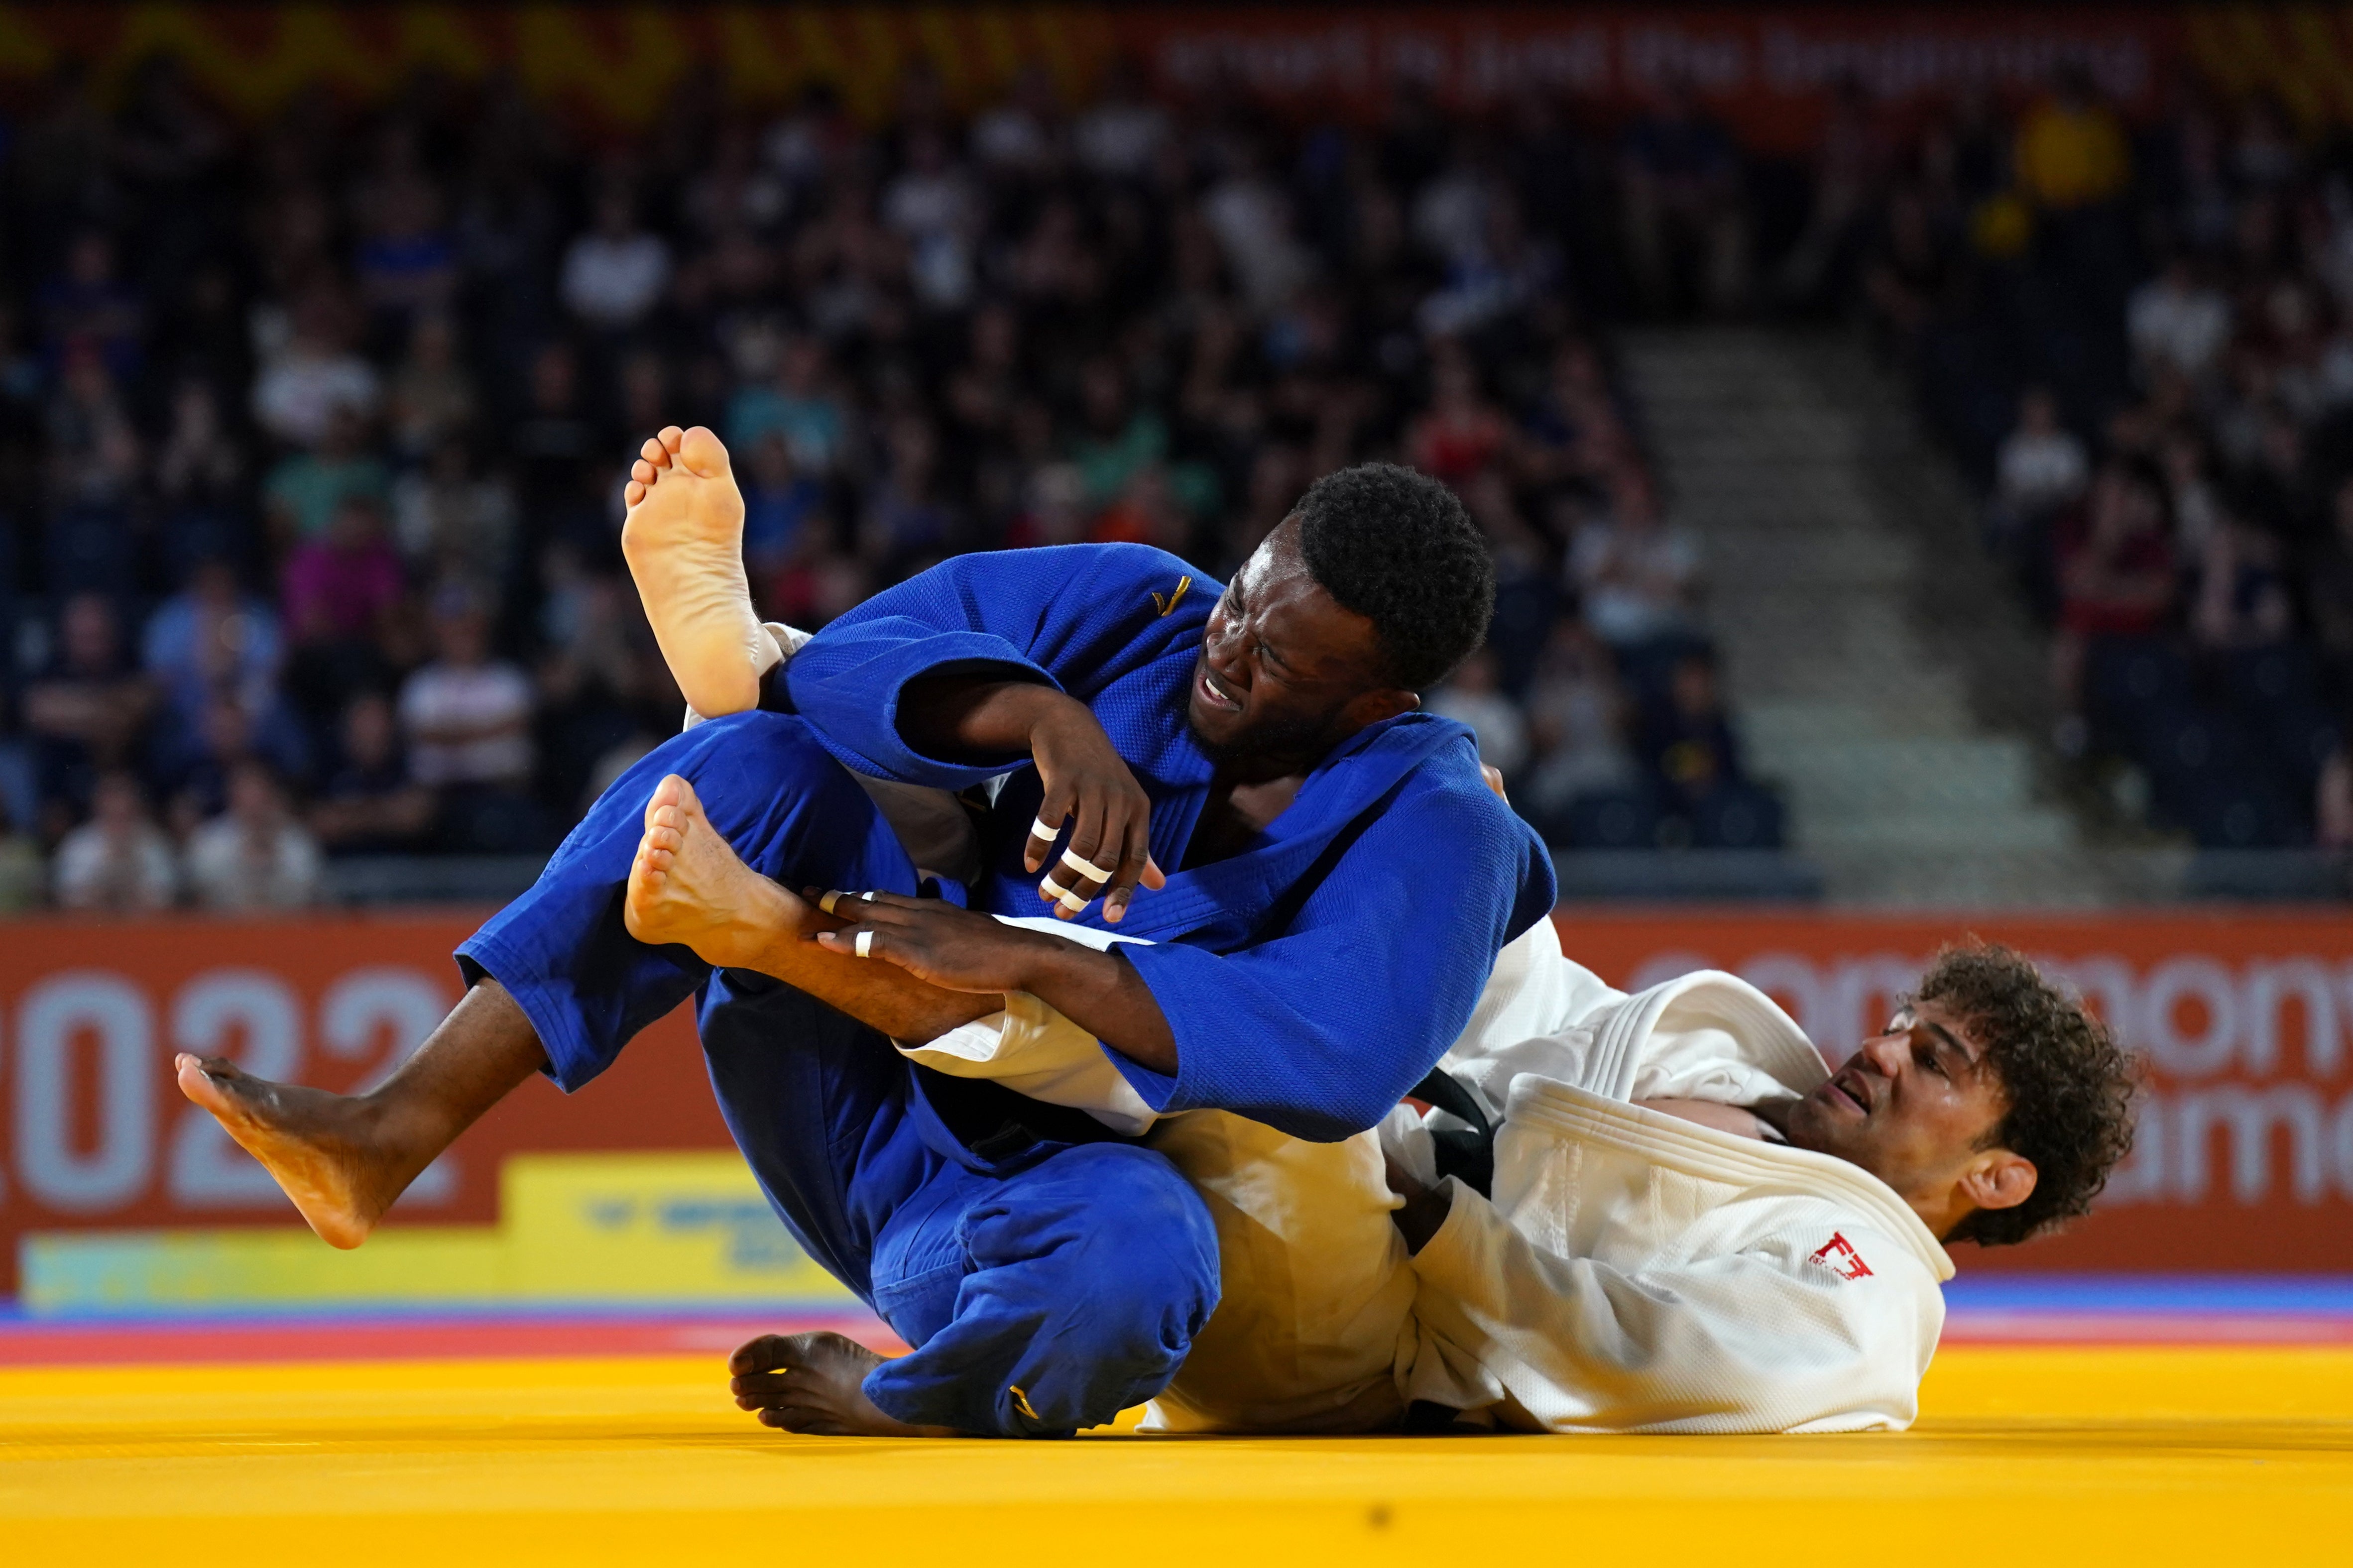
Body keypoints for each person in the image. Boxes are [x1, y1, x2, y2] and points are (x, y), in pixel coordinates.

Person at [176, 425, 1553, 1441]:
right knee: (759, 755)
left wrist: (1031, 958)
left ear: (1373, 702)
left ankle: (910, 1398)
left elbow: (1338, 1054)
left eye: (1275, 659)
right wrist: (1043, 716)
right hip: (849, 1066)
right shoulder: (1145, 608)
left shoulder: (1438, 820)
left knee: (1143, 1264)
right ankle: (390, 1130)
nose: (1227, 645)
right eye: (1247, 592)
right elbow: (855, 661)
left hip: (1008, 1192)